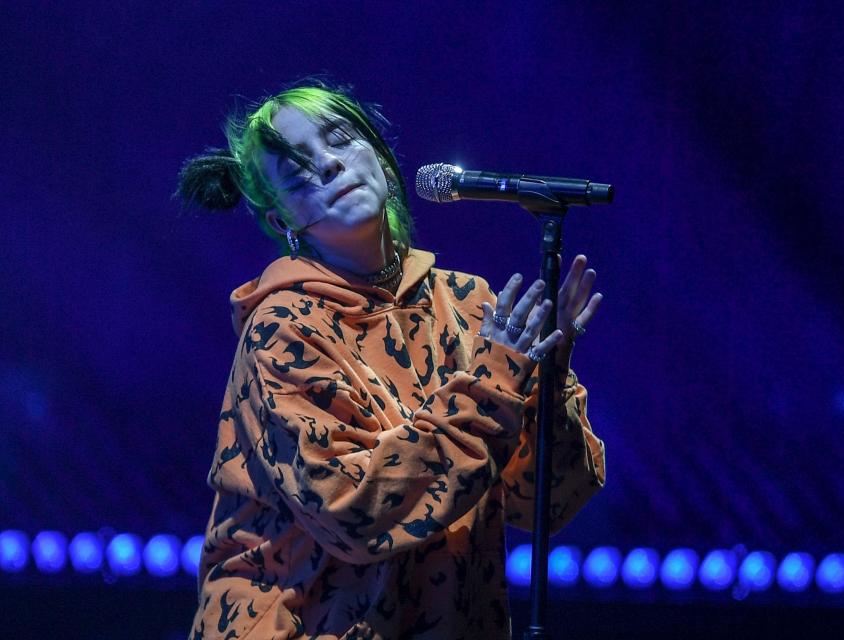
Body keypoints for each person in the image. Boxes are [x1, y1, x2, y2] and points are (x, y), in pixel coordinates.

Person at [176, 82, 606, 640]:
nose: (329, 165)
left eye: (339, 139)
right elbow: (352, 512)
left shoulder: (470, 306)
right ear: (279, 216)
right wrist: (498, 378)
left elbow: (545, 502)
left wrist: (547, 370)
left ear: (377, 152)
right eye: (298, 171)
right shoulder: (282, 329)